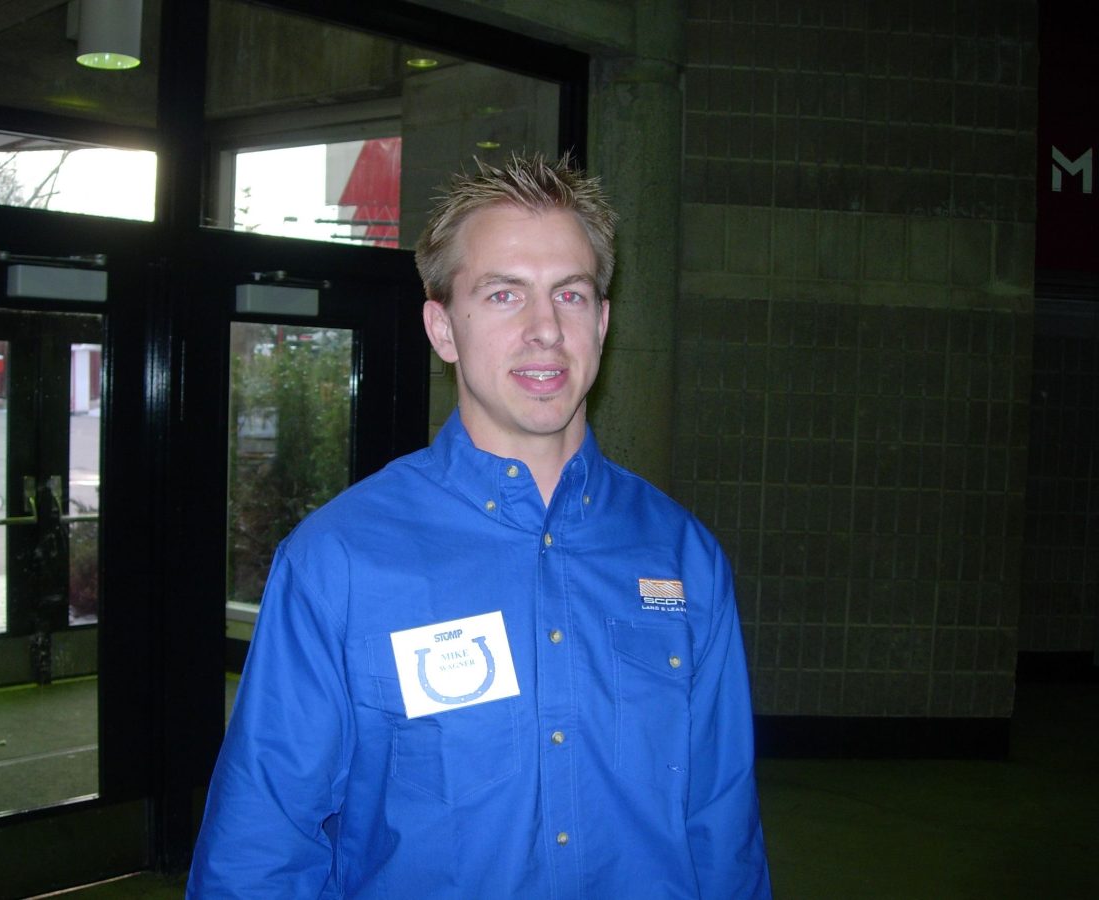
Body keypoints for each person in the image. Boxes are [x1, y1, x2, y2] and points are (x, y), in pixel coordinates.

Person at [187, 153, 771, 898]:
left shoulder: (682, 556)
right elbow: (262, 845)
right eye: (503, 295)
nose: (545, 330)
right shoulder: (340, 560)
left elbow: (723, 829)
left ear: (601, 321)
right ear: (443, 328)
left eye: (570, 294)